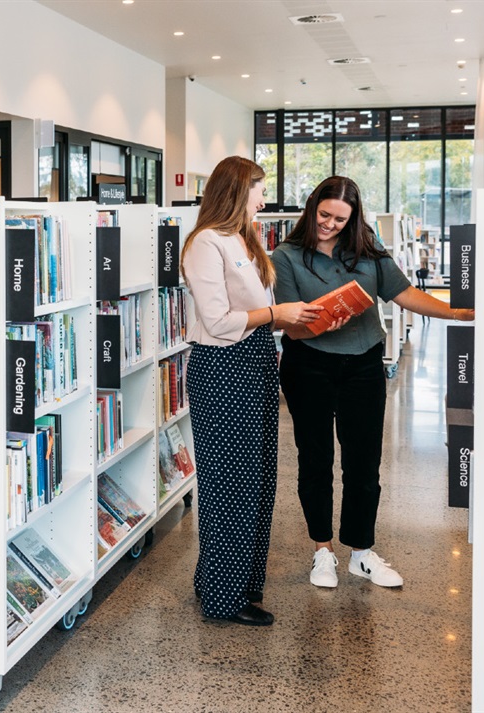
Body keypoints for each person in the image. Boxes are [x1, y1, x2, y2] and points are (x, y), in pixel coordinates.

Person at [272, 176, 475, 590]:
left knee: (364, 463)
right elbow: (290, 327)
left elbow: (404, 294)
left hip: (363, 364)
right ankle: (322, 552)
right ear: (312, 208)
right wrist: (326, 320)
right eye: (324, 215)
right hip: (307, 365)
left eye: (340, 219)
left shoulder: (368, 250)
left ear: (353, 218)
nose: (330, 224)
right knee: (315, 460)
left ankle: (361, 553)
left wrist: (456, 313)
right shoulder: (286, 255)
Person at [181, 156, 323, 626]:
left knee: (256, 483)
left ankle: (233, 583)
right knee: (229, 485)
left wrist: (282, 319)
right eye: (258, 190)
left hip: (255, 363)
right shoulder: (205, 243)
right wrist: (278, 314)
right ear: (235, 192)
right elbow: (219, 323)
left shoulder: (245, 238)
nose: (264, 198)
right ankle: (223, 600)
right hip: (223, 369)